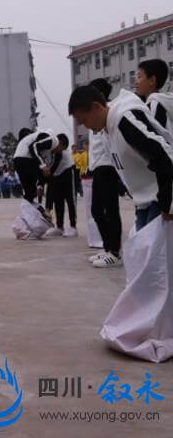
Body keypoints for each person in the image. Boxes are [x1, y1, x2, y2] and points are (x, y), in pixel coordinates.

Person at [69, 84, 173, 361]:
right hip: (145, 202)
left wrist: (168, 201)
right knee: (145, 268)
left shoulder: (125, 119)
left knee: (158, 271)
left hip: (160, 202)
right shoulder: (110, 127)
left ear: (96, 106)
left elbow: (164, 154)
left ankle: (159, 327)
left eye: (84, 119)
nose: (86, 126)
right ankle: (148, 324)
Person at [85, 79, 123, 268]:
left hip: (108, 167)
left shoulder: (109, 113)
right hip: (98, 167)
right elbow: (95, 147)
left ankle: (115, 252)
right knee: (96, 210)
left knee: (110, 210)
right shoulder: (95, 115)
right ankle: (108, 248)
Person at [12, 128, 62, 217]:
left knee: (30, 194)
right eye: (61, 149)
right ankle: (47, 210)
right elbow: (33, 147)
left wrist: (40, 185)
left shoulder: (41, 144)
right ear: (60, 144)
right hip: (26, 159)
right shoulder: (52, 140)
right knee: (52, 180)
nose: (59, 152)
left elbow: (39, 166)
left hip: (17, 160)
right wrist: (43, 166)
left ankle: (28, 219)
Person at [44, 134, 78, 238]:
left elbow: (52, 169)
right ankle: (59, 227)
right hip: (58, 176)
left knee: (70, 200)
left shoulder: (61, 154)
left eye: (58, 144)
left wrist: (46, 175)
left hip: (68, 173)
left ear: (63, 146)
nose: (55, 146)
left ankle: (73, 227)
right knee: (58, 201)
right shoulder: (52, 153)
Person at [137, 58, 173, 136]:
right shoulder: (164, 102)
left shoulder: (154, 104)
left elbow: (156, 137)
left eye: (139, 76)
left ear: (152, 80)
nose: (136, 82)